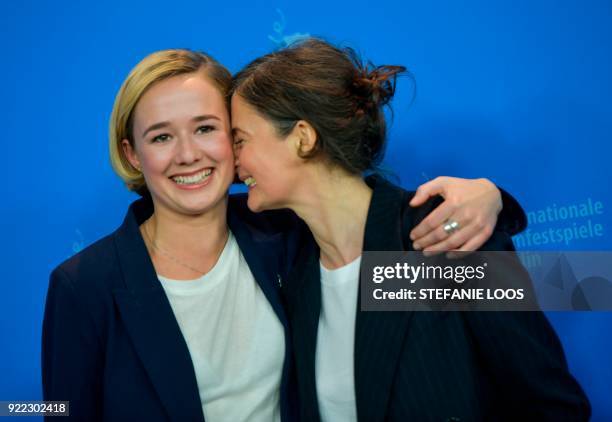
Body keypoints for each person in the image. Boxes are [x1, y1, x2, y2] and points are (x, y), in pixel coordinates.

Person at [42, 49, 526, 421]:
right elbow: (55, 411)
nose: (189, 154)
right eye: (161, 136)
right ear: (131, 154)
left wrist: (492, 199)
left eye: (215, 130)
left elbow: (585, 292)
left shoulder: (288, 238)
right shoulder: (84, 285)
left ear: (300, 138)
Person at [230, 38, 591, 421]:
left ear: (303, 137)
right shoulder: (291, 256)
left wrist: (493, 198)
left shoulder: (441, 238)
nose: (233, 161)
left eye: (240, 140)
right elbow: (171, 194)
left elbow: (553, 405)